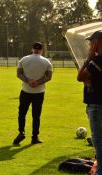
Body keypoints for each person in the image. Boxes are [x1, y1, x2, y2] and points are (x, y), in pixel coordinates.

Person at [13, 42, 53, 145]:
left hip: (25, 90)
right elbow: (49, 77)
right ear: (41, 50)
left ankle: (21, 132)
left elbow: (19, 73)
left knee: (22, 113)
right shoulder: (46, 61)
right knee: (36, 116)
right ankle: (34, 137)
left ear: (32, 49)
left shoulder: (24, 59)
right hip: (39, 92)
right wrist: (37, 82)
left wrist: (28, 81)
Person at [77, 30, 102, 175]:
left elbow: (80, 77)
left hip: (97, 104)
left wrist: (88, 59)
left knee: (98, 139)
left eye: (91, 41)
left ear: (97, 42)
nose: (89, 44)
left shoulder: (98, 59)